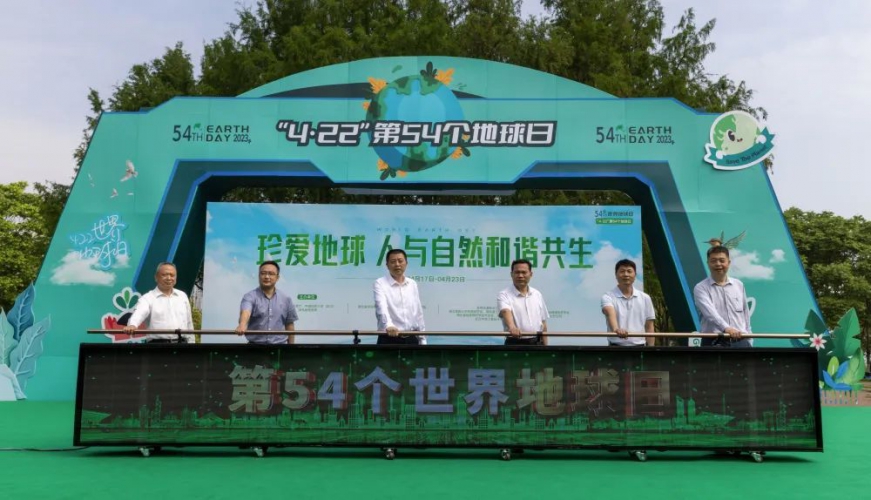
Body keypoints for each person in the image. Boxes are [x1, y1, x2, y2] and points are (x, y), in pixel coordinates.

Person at [693, 246, 752, 347]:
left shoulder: (739, 285)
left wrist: (749, 339)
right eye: (713, 261)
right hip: (713, 341)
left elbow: (745, 315)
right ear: (708, 263)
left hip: (741, 341)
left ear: (728, 262)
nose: (718, 264)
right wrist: (727, 329)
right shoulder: (700, 288)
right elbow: (711, 314)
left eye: (722, 260)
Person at [123, 262, 195, 343]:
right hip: (158, 345)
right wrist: (132, 325)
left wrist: (192, 343)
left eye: (172, 275)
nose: (169, 278)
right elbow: (139, 313)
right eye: (164, 275)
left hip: (183, 344)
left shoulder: (182, 296)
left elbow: (189, 323)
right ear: (156, 277)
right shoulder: (148, 298)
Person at [235, 260, 298, 344]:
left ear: (277, 277)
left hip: (280, 346)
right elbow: (246, 311)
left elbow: (289, 324)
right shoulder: (249, 296)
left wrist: (291, 347)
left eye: (271, 274)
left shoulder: (286, 299)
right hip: (254, 347)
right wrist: (242, 324)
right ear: (259, 276)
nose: (267, 277)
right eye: (263, 273)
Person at [373, 249, 426, 345]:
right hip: (389, 337)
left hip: (411, 338)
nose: (397, 264)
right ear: (387, 265)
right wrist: (389, 325)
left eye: (400, 261)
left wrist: (422, 338)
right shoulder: (380, 283)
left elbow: (418, 313)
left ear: (406, 263)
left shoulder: (412, 284)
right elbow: (381, 307)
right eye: (393, 261)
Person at [601, 259, 655, 346]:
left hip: (640, 346)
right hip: (615, 347)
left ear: (635, 275)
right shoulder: (608, 296)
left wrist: (651, 349)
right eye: (622, 271)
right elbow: (609, 312)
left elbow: (649, 326)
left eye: (629, 271)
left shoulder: (645, 298)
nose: (626, 274)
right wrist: (616, 329)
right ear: (616, 275)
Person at [498, 259, 549, 345]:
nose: (520, 276)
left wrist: (546, 347)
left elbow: (543, 323)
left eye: (524, 272)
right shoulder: (504, 294)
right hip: (515, 342)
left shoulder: (537, 294)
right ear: (511, 274)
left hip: (537, 342)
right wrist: (512, 327)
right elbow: (505, 311)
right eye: (517, 272)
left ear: (531, 274)